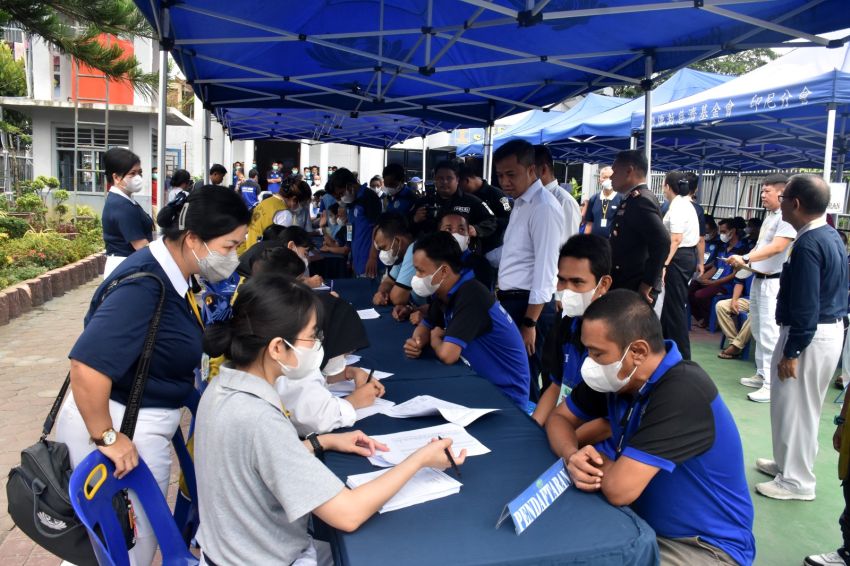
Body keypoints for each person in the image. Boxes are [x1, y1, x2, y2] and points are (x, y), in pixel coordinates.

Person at [195, 273, 466, 565]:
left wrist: (322, 441)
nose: (317, 345)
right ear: (276, 347)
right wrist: (419, 460)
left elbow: (255, 461)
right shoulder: (259, 418)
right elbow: (347, 514)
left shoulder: (223, 385)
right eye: (312, 336)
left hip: (232, 551)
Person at [55, 186, 250, 565]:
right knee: (129, 548)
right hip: (123, 427)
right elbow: (86, 366)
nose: (233, 256)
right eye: (228, 246)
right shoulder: (147, 284)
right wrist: (108, 437)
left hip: (134, 421)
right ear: (193, 239)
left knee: (107, 549)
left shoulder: (172, 274)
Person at [549, 289, 755, 565]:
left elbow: (618, 489)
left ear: (637, 351)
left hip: (702, 547)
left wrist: (595, 465)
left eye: (597, 353)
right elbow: (558, 419)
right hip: (640, 524)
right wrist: (571, 454)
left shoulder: (683, 391)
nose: (590, 362)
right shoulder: (619, 376)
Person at [754, 174, 848, 502]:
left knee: (797, 408)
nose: (778, 203)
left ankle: (796, 481)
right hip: (822, 331)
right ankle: (786, 464)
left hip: (808, 334)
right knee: (791, 405)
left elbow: (807, 303)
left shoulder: (809, 244)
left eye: (782, 199)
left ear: (794, 203)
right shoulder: (828, 235)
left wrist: (792, 350)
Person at [250, 247, 385, 434]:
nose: (316, 345)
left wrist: (349, 372)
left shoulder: (272, 341)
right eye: (313, 336)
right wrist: (354, 401)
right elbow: (312, 419)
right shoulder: (286, 366)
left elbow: (311, 380)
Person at [403, 232, 530, 408]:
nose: (416, 277)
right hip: (479, 384)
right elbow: (426, 326)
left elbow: (448, 354)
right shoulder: (444, 292)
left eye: (421, 271)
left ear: (444, 271)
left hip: (505, 396)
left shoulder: (471, 294)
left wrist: (433, 340)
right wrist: (416, 342)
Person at [495, 140, 565, 402]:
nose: (505, 182)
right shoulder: (521, 204)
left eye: (511, 174)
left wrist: (529, 322)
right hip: (513, 300)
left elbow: (546, 270)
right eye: (500, 175)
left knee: (526, 373)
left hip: (529, 306)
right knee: (515, 372)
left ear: (532, 170)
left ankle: (531, 433)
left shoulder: (543, 207)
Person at [726, 173, 796, 403]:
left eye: (767, 191)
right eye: (762, 190)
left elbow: (777, 247)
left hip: (773, 281)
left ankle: (771, 383)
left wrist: (745, 259)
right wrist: (744, 262)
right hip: (759, 277)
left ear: (781, 192)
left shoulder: (785, 217)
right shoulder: (770, 216)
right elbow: (761, 246)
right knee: (757, 328)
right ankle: (762, 373)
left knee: (768, 333)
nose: (762, 195)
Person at [532, 234, 613, 426]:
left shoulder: (616, 336)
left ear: (603, 284)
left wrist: (563, 439)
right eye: (561, 280)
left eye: (577, 282)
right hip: (562, 425)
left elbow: (608, 422)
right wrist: (533, 429)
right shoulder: (566, 324)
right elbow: (556, 385)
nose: (567, 290)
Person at [608, 150, 670, 306]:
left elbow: (662, 241)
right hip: (625, 279)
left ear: (629, 170)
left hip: (633, 283)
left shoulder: (641, 200)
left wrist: (646, 284)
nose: (611, 176)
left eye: (615, 171)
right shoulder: (631, 198)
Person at [660, 171, 700, 360]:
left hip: (679, 257)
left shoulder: (678, 207)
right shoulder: (682, 203)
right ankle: (670, 349)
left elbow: (676, 239)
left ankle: (682, 356)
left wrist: (664, 264)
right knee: (670, 307)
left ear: (667, 186)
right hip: (683, 256)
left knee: (674, 308)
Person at [410, 160, 497, 244]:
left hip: (462, 254)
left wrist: (476, 229)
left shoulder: (472, 201)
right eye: (440, 178)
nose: (444, 182)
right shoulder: (423, 202)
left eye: (449, 178)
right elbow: (406, 227)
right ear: (435, 180)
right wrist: (414, 220)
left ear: (457, 180)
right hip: (431, 253)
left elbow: (492, 221)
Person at [100, 147, 154, 278]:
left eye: (139, 172)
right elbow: (141, 246)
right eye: (132, 173)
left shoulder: (125, 201)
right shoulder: (121, 206)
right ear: (116, 177)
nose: (138, 177)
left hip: (128, 266)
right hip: (126, 269)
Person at [688, 218, 747, 327]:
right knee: (690, 288)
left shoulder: (742, 249)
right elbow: (716, 267)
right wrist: (702, 278)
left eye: (724, 232)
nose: (721, 234)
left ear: (733, 231)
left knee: (700, 295)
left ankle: (711, 320)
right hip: (714, 281)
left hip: (727, 285)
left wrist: (714, 283)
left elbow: (735, 274)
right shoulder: (722, 247)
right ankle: (702, 317)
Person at [329, 168, 382, 278]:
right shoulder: (351, 201)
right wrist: (350, 255)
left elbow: (378, 229)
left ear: (349, 186)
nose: (341, 198)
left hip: (370, 260)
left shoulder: (368, 197)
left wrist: (372, 257)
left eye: (341, 193)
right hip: (357, 259)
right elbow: (350, 227)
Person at [458, 158, 512, 261]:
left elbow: (509, 219)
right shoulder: (464, 197)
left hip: (492, 249)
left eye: (459, 185)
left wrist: (486, 223)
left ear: (466, 181)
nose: (458, 189)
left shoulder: (496, 194)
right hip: (470, 249)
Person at [371, 213, 422, 317]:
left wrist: (388, 296)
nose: (382, 253)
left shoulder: (415, 249)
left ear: (398, 241)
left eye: (383, 247)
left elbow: (397, 298)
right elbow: (388, 282)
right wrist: (382, 293)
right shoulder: (401, 255)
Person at [534, 145, 581, 242]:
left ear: (543, 170)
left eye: (529, 172)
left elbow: (568, 245)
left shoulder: (565, 201)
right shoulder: (530, 198)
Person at [438, 212, 494, 290]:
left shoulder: (480, 265)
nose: (455, 234)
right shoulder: (429, 260)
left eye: (461, 229)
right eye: (448, 229)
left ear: (468, 238)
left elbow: (484, 298)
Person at [716, 274, 754, 359]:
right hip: (748, 300)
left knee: (755, 314)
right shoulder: (750, 263)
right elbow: (739, 282)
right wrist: (734, 300)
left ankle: (736, 346)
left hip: (768, 302)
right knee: (721, 306)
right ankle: (734, 342)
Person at [583, 166, 621, 238]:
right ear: (599, 180)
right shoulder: (593, 199)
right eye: (604, 177)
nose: (608, 180)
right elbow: (589, 224)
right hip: (595, 243)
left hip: (613, 244)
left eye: (610, 177)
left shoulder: (621, 199)